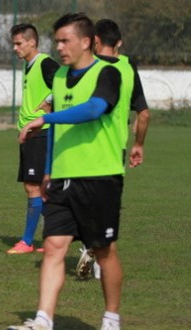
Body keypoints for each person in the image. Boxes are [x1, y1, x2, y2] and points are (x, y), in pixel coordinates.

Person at [8, 13, 125, 330]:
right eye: (56, 40)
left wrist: (45, 119)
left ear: (86, 41)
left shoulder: (108, 74)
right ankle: (43, 319)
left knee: (103, 251)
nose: (58, 47)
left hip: (100, 177)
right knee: (55, 248)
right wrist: (47, 171)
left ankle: (111, 318)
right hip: (62, 177)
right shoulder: (58, 77)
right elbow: (58, 135)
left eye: (65, 40)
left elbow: (93, 109)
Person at [76, 18, 150, 280]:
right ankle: (98, 258)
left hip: (82, 148)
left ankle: (88, 246)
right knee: (107, 208)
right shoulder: (128, 66)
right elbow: (143, 113)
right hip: (115, 150)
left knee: (80, 203)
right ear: (118, 42)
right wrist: (138, 145)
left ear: (94, 41)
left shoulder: (85, 66)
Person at [6, 23, 60, 254]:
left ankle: (27, 241)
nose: (15, 48)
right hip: (32, 134)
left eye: (19, 43)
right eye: (13, 44)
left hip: (41, 133)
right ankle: (49, 241)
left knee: (33, 187)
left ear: (32, 42)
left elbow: (66, 84)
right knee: (41, 187)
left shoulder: (45, 63)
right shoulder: (29, 66)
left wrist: (49, 103)